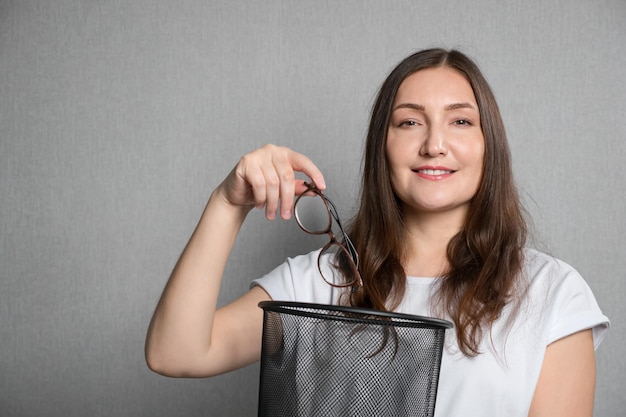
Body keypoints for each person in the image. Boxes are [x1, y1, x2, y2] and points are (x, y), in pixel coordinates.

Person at [145, 48, 609, 416]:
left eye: (461, 121)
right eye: (409, 122)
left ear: (490, 147)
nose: (434, 144)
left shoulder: (553, 295)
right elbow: (176, 353)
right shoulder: (318, 281)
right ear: (381, 147)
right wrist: (227, 204)